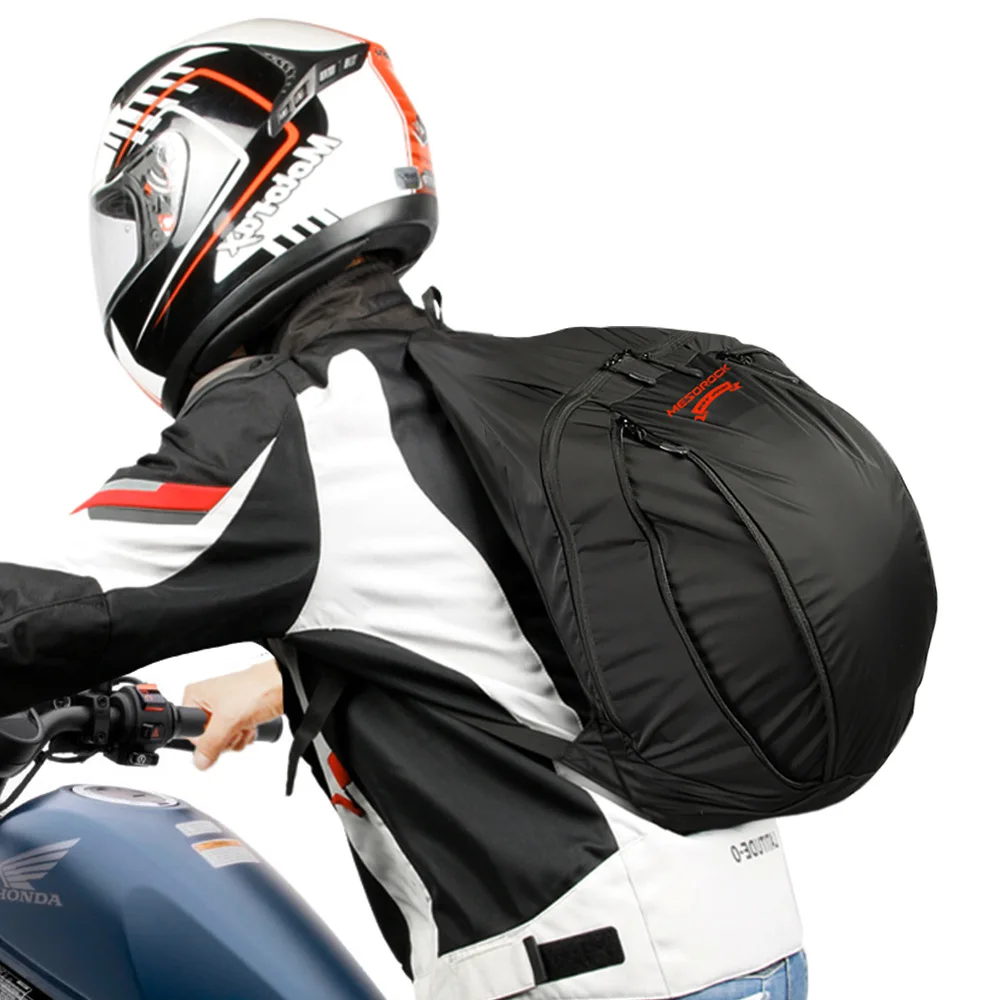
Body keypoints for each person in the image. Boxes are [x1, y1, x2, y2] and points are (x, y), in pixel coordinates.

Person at [0, 18, 808, 1000]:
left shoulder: (294, 420)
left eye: (149, 205)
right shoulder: (442, 376)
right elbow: (484, 609)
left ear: (241, 184)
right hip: (728, 937)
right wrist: (273, 679)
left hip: (590, 966)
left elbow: (56, 607)